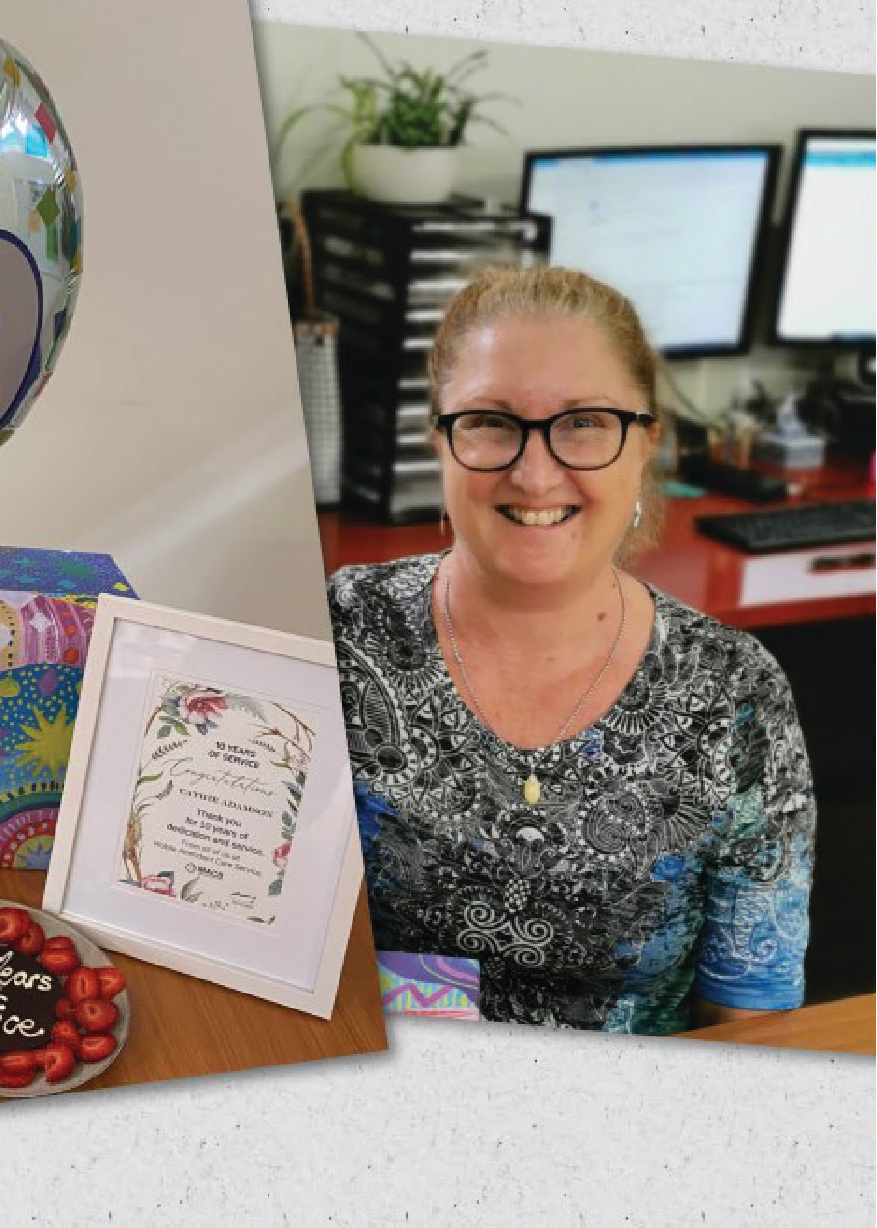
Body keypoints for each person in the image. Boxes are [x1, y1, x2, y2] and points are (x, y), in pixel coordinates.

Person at [329, 266, 814, 1033]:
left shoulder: (733, 692)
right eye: (491, 421)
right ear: (440, 439)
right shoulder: (340, 634)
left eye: (584, 421)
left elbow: (751, 1023)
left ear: (645, 442)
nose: (534, 472)